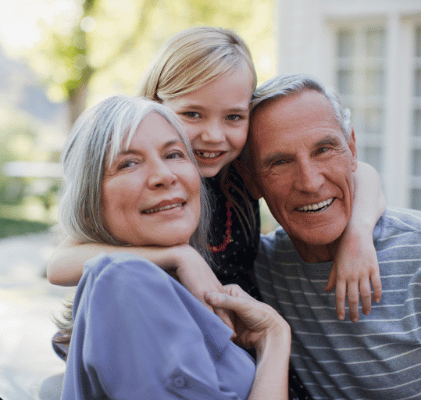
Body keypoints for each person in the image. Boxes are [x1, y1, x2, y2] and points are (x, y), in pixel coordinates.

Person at [47, 26, 384, 324]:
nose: (214, 135)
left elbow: (362, 173)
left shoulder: (237, 172)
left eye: (234, 118)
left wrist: (358, 232)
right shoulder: (147, 189)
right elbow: (59, 265)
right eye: (193, 114)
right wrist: (179, 256)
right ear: (156, 102)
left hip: (244, 341)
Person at [59, 95, 292, 399]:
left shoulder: (168, 287)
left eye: (173, 155)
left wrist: (273, 334)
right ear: (89, 203)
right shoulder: (124, 281)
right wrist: (275, 340)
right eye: (128, 163)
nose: (164, 176)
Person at [245, 73, 421, 399]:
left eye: (324, 149)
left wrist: (359, 232)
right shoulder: (259, 266)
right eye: (281, 162)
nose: (310, 182)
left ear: (352, 148)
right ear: (252, 180)